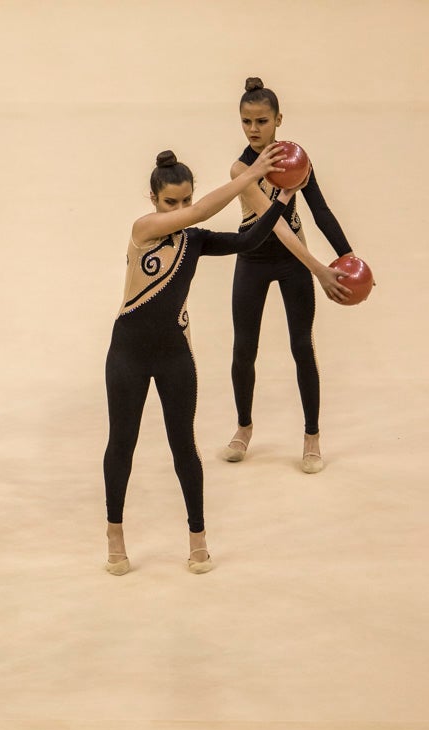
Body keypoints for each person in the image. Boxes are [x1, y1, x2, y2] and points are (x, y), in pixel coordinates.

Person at [103, 146, 303, 576]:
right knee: (122, 443)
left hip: (175, 354)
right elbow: (200, 214)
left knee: (184, 448)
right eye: (169, 202)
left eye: (186, 200)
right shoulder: (143, 230)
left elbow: (247, 240)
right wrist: (249, 176)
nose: (179, 210)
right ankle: (114, 533)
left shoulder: (194, 240)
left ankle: (198, 538)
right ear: (153, 200)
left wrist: (282, 200)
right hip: (127, 354)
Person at [223, 77, 356, 473]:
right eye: (246, 121)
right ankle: (244, 427)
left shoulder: (297, 161)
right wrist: (319, 269)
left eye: (262, 121)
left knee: (302, 346)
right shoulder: (240, 169)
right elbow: (275, 224)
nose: (253, 129)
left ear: (278, 119)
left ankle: (312, 437)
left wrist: (348, 257)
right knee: (244, 349)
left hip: (291, 262)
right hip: (253, 260)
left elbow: (320, 211)